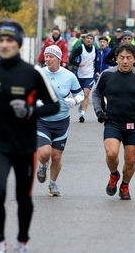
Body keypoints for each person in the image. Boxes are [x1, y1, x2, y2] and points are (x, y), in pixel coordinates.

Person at [0, 18, 60, 253]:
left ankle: (22, 241)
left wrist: (30, 111)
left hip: (25, 146)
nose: (5, 44)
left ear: (17, 44)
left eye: (10, 40)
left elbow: (53, 106)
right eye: (2, 40)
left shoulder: (33, 73)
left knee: (22, 197)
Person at [92, 43, 135, 200]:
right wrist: (99, 111)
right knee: (111, 154)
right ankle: (114, 175)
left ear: (134, 59)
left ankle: (125, 184)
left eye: (129, 58)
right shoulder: (107, 75)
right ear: (116, 59)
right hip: (112, 122)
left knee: (130, 160)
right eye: (121, 58)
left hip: (132, 124)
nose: (125, 61)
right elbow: (96, 94)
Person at [35, 45, 84, 197]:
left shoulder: (69, 76)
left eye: (51, 57)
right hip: (42, 120)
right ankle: (43, 165)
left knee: (56, 156)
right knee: (44, 153)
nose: (48, 59)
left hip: (61, 121)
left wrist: (75, 101)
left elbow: (81, 94)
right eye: (46, 56)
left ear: (59, 58)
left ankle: (53, 183)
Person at [68, 32, 98, 123]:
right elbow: (71, 59)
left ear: (93, 41)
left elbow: (96, 62)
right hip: (80, 75)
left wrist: (97, 72)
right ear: (84, 40)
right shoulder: (81, 48)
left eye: (91, 39)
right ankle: (82, 105)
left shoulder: (95, 49)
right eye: (87, 38)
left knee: (86, 94)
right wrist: (78, 64)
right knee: (80, 95)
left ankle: (82, 114)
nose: (89, 40)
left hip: (90, 75)